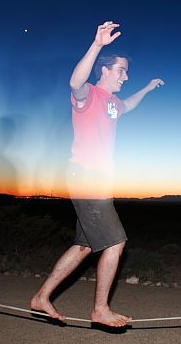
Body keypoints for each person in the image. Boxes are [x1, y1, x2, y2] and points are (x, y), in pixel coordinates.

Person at [30, 21, 164, 327]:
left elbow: (127, 106)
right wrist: (97, 45)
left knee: (85, 246)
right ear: (104, 70)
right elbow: (75, 82)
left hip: (98, 181)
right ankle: (100, 309)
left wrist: (146, 88)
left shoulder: (112, 103)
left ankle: (42, 296)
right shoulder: (87, 94)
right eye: (121, 70)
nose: (126, 76)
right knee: (116, 242)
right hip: (86, 177)